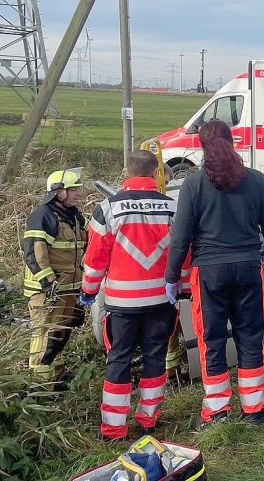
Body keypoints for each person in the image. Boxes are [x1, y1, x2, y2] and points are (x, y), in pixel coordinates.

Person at [165, 119, 264, 428]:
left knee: (212, 340)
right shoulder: (257, 181)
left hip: (208, 274)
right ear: (232, 142)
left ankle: (217, 412)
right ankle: (254, 410)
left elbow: (181, 238)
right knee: (250, 337)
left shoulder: (192, 185)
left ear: (202, 147)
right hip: (248, 268)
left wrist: (171, 275)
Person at [81, 151, 186, 441]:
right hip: (161, 299)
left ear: (127, 172)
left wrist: (89, 291)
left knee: (119, 359)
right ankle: (148, 420)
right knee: (156, 356)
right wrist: (184, 286)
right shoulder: (172, 207)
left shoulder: (108, 208)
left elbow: (95, 259)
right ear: (155, 173)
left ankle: (114, 429)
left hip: (122, 304)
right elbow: (184, 253)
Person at [21, 168, 87, 384]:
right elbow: (34, 254)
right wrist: (49, 284)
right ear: (59, 192)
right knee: (44, 336)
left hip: (68, 287)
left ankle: (56, 375)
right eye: (73, 189)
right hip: (47, 290)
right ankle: (39, 389)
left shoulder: (74, 216)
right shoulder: (43, 216)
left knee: (61, 332)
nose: (78, 193)